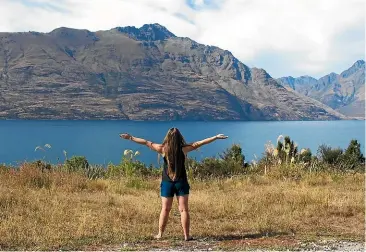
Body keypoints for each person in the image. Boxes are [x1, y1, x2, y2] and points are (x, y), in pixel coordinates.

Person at [120, 128, 228, 241]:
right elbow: (200, 143)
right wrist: (215, 137)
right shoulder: (184, 149)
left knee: (165, 209)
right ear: (179, 138)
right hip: (181, 182)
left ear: (168, 137)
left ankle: (160, 234)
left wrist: (130, 138)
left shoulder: (162, 149)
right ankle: (187, 236)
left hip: (167, 183)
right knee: (184, 210)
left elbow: (146, 142)